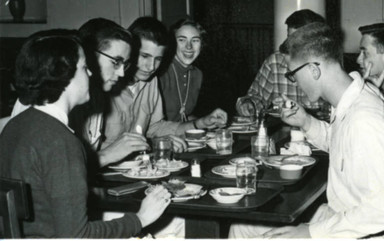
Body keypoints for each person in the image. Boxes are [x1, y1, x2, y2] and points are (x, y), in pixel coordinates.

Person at [230, 22, 384, 238]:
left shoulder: (364, 120)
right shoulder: (357, 96)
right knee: (240, 227)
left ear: (313, 70)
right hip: (350, 213)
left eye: (292, 75)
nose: (295, 82)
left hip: (375, 233)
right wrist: (306, 122)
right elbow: (344, 144)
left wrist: (311, 232)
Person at [0, 30, 171, 238]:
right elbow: (77, 236)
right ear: (65, 74)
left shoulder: (15, 126)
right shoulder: (61, 142)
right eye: (84, 67)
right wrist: (140, 219)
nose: (90, 74)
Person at [9, 18, 151, 168]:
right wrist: (107, 155)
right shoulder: (46, 99)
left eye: (125, 64)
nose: (122, 73)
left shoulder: (95, 96)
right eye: (116, 62)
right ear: (88, 56)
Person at [101, 17, 227, 155]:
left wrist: (200, 123)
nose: (151, 67)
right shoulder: (106, 84)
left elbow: (156, 127)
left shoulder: (150, 81)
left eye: (158, 59)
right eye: (144, 56)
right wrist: (157, 143)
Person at [235, 9, 330, 120]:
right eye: (289, 38)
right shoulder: (275, 62)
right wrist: (249, 105)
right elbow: (256, 97)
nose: (290, 45)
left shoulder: (327, 63)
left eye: (298, 40)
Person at [158, 18, 205, 122]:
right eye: (182, 40)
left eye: (195, 40)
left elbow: (183, 117)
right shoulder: (161, 72)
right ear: (172, 43)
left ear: (201, 45)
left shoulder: (197, 74)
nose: (189, 46)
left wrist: (207, 121)